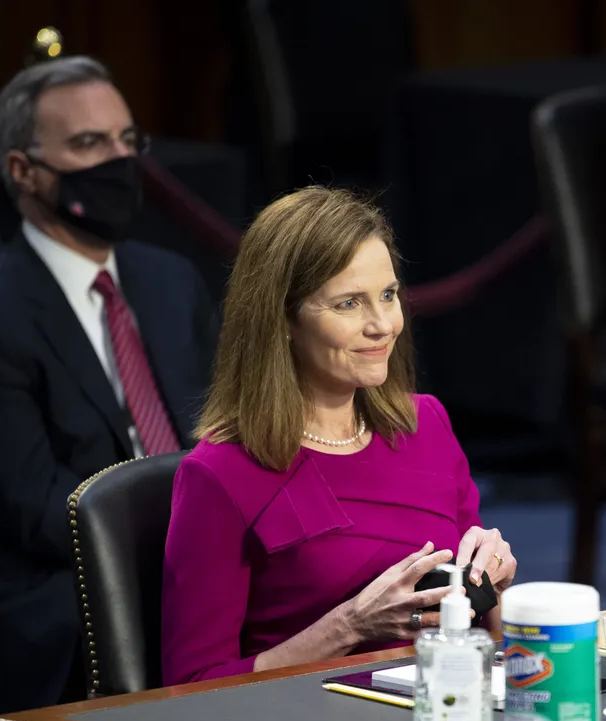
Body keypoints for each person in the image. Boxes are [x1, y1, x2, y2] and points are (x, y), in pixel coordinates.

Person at [0, 56, 218, 721]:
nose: (118, 162)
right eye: (88, 144)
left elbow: (225, 432)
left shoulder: (172, 282)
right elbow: (36, 511)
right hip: (61, 590)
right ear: (22, 171)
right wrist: (190, 547)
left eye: (127, 141)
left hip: (182, 555)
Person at [160, 187, 518, 685]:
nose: (382, 325)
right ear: (283, 319)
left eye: (388, 296)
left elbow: (483, 635)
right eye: (349, 303)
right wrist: (349, 626)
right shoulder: (218, 474)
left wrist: (492, 581)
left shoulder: (427, 424)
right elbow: (190, 687)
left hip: (446, 711)